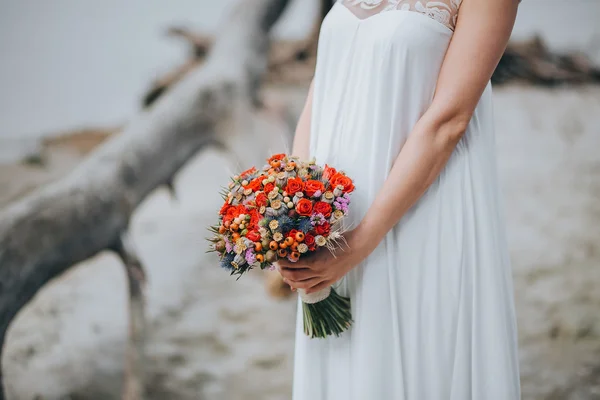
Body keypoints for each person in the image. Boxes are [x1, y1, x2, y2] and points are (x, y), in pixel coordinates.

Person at [277, 0, 522, 399]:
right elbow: (322, 85)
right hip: (334, 219)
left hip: (420, 210)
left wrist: (358, 244)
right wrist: (295, 207)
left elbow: (449, 121)